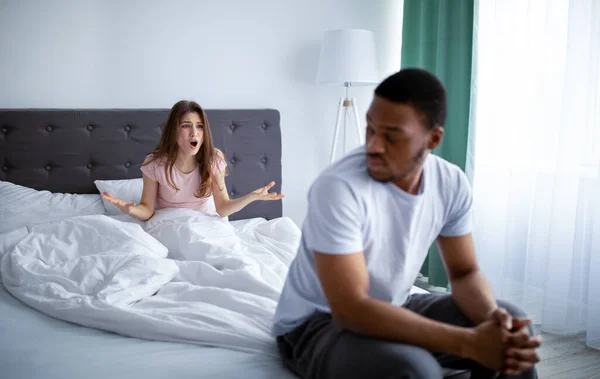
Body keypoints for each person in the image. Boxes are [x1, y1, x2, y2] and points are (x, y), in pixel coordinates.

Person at [272, 69, 541, 379]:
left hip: (396, 304)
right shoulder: (338, 188)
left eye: (391, 135)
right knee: (414, 369)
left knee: (514, 324)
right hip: (316, 323)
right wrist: (469, 343)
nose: (373, 145)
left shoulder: (451, 183)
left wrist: (496, 323)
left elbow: (465, 273)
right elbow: (352, 309)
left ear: (433, 139)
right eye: (370, 129)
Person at [102, 100, 283, 221]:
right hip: (168, 222)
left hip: (204, 222)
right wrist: (130, 209)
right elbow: (147, 209)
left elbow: (223, 208)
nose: (194, 133)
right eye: (186, 126)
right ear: (173, 132)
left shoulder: (213, 159)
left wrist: (252, 197)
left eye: (199, 126)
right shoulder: (155, 163)